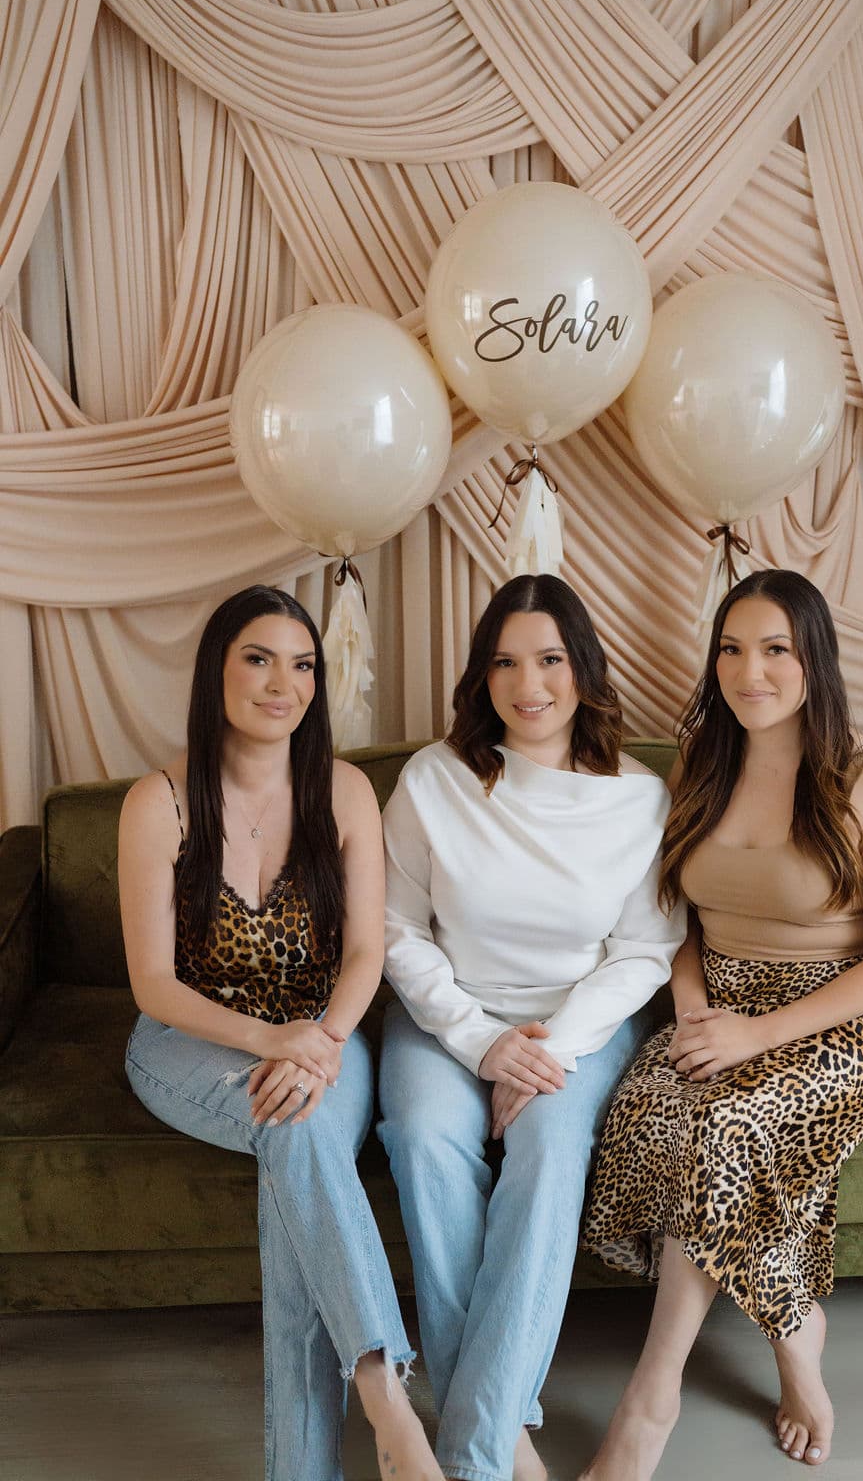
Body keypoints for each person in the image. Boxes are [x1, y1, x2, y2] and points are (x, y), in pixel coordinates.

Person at [581, 569, 863, 1477]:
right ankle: (796, 1326)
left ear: (815, 656)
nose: (751, 671)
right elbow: (678, 922)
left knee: (727, 1127)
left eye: (776, 648)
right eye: (732, 648)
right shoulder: (701, 759)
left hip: (848, 1014)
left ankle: (650, 1398)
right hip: (718, 1002)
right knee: (649, 1112)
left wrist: (757, 1037)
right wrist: (695, 1009)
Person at [119, 584, 443, 1481]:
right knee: (288, 1119)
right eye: (258, 660)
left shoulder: (342, 791)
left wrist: (325, 1039)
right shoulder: (160, 802)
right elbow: (153, 985)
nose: (283, 684)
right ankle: (390, 1404)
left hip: (325, 1038)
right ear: (216, 673)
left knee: (295, 1135)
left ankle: (334, 1441)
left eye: (303, 665)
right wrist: (270, 1042)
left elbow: (368, 952)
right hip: (190, 1041)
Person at [377, 573, 688, 1481]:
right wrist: (481, 1042)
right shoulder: (434, 780)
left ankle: (473, 1445)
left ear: (583, 669)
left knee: (551, 1147)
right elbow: (396, 931)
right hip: (447, 1019)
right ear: (482, 678)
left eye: (550, 659)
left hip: (573, 1029)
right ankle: (503, 1426)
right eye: (506, 662)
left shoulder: (640, 797)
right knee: (428, 1142)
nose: (530, 684)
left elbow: (643, 949)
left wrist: (544, 1048)